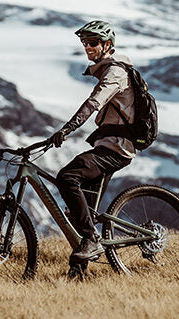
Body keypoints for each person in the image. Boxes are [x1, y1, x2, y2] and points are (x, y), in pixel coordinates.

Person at [49, 20, 136, 269]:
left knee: (67, 178)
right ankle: (79, 271)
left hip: (117, 148)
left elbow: (94, 103)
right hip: (108, 145)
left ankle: (91, 239)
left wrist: (68, 128)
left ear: (108, 45)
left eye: (93, 43)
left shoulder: (116, 72)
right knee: (81, 210)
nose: (88, 47)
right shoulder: (107, 69)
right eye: (85, 43)